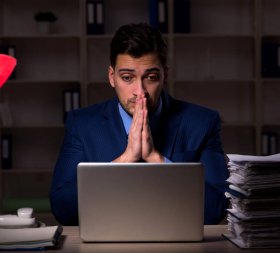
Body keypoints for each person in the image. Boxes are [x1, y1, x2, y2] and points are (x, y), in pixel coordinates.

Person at [50, 23, 229, 225]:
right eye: (127, 78)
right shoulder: (82, 124)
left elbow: (216, 209)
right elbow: (62, 209)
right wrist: (123, 161)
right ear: (112, 77)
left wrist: (157, 160)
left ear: (165, 76)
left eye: (150, 77)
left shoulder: (202, 122)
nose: (140, 91)